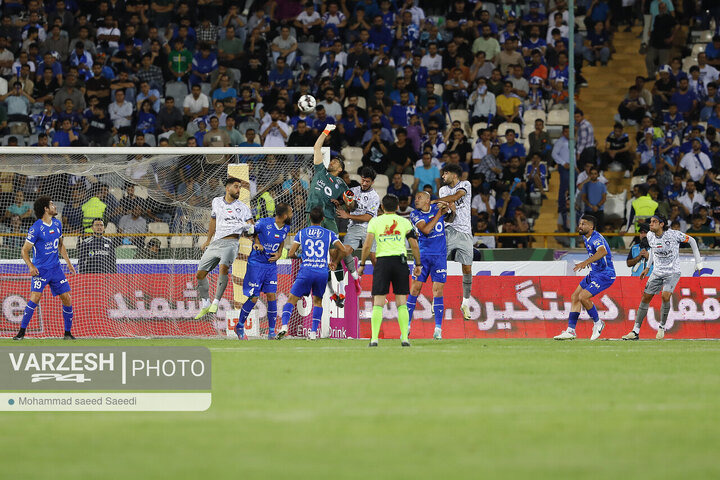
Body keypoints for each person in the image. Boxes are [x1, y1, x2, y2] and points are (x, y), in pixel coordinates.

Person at [622, 215, 703, 340]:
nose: (651, 224)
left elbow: (692, 240)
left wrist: (698, 262)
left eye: (654, 222)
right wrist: (648, 268)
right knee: (645, 298)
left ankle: (661, 327)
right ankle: (635, 331)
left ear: (661, 224)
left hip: (672, 272)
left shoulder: (674, 235)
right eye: (651, 222)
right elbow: (654, 251)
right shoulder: (650, 235)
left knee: (665, 296)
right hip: (657, 272)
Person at [277, 206, 352, 340]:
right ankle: (312, 333)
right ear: (323, 219)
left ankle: (284, 327)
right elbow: (344, 250)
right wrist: (334, 261)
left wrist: (300, 256)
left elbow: (291, 253)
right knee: (318, 301)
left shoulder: (302, 232)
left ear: (309, 218)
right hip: (321, 272)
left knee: (291, 299)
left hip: (306, 271)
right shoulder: (329, 233)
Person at [358, 194, 421, 347]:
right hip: (400, 262)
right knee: (401, 302)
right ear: (398, 206)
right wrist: (418, 264)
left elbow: (367, 245)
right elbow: (414, 244)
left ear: (382, 207)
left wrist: (362, 263)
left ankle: (374, 339)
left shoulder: (375, 221)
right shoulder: (404, 222)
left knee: (378, 302)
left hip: (383, 262)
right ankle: (405, 338)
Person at [14, 196, 76, 340]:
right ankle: (21, 332)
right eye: (52, 204)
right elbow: (24, 250)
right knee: (35, 298)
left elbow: (60, 245)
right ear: (46, 209)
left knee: (67, 298)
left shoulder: (57, 224)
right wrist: (31, 266)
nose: (55, 206)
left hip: (56, 269)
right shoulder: (36, 228)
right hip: (41, 270)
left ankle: (67, 333)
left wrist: (68, 263)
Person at [194, 177, 254, 319]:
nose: (238, 190)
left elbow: (251, 226)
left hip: (231, 243)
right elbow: (213, 220)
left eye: (239, 187)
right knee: (200, 274)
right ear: (227, 188)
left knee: (223, 268)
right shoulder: (216, 201)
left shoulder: (243, 208)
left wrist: (250, 229)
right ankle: (206, 303)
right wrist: (208, 240)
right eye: (236, 187)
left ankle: (216, 301)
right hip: (215, 243)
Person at [234, 204, 293, 340]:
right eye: (290, 212)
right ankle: (240, 326)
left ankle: (271, 332)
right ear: (284, 216)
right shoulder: (264, 223)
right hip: (256, 264)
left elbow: (282, 241)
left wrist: (278, 254)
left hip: (271, 265)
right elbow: (251, 232)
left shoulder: (286, 227)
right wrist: (256, 242)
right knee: (254, 297)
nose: (292, 215)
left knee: (271, 295)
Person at [554, 214, 615, 341]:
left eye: (584, 224)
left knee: (583, 297)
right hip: (595, 273)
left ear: (591, 226)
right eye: (580, 223)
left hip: (606, 274)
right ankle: (570, 331)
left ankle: (598, 323)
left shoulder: (595, 238)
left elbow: (602, 251)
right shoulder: (585, 236)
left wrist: (585, 262)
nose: (580, 226)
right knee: (575, 296)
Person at [407, 191, 451, 340]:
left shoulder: (436, 208)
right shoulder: (414, 214)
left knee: (438, 291)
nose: (416, 200)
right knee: (415, 288)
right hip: (423, 256)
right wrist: (439, 213)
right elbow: (425, 230)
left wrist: (448, 207)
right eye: (415, 197)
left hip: (439, 256)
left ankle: (438, 329)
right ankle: (406, 325)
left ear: (427, 200)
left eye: (419, 197)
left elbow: (451, 214)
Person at [435, 163, 473, 320]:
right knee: (439, 266)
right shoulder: (443, 190)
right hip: (448, 231)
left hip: (465, 232)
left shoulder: (465, 184)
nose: (443, 176)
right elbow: (447, 213)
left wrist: (433, 201)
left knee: (467, 268)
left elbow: (457, 197)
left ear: (454, 175)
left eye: (445, 173)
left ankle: (465, 302)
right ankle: (435, 301)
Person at [335, 166, 379, 300]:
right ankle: (354, 277)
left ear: (372, 182)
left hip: (370, 229)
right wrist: (340, 203)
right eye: (363, 180)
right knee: (342, 252)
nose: (364, 183)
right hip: (354, 228)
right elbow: (349, 205)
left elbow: (368, 217)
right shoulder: (353, 191)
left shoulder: (374, 196)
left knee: (374, 259)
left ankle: (379, 291)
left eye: (367, 181)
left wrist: (347, 215)